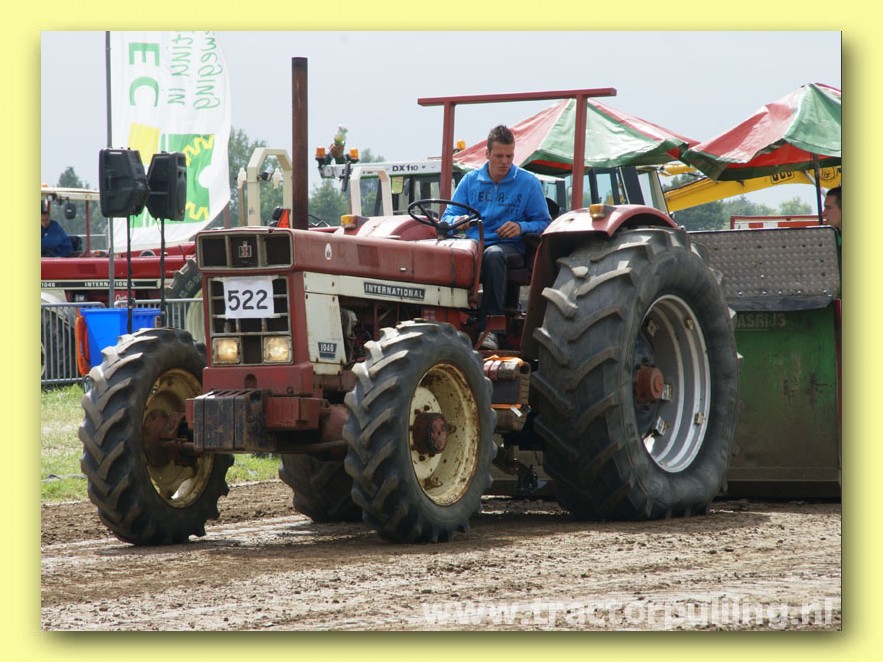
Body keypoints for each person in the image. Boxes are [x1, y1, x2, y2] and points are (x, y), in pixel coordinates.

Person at [442, 125, 552, 349]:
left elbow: (545, 222)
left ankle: (491, 329)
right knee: (443, 254)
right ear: (487, 154)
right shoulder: (470, 181)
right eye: (499, 156)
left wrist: (520, 227)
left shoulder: (528, 183)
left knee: (493, 255)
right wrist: (459, 220)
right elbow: (447, 218)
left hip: (509, 248)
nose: (505, 161)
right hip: (473, 246)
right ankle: (444, 322)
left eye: (509, 156)